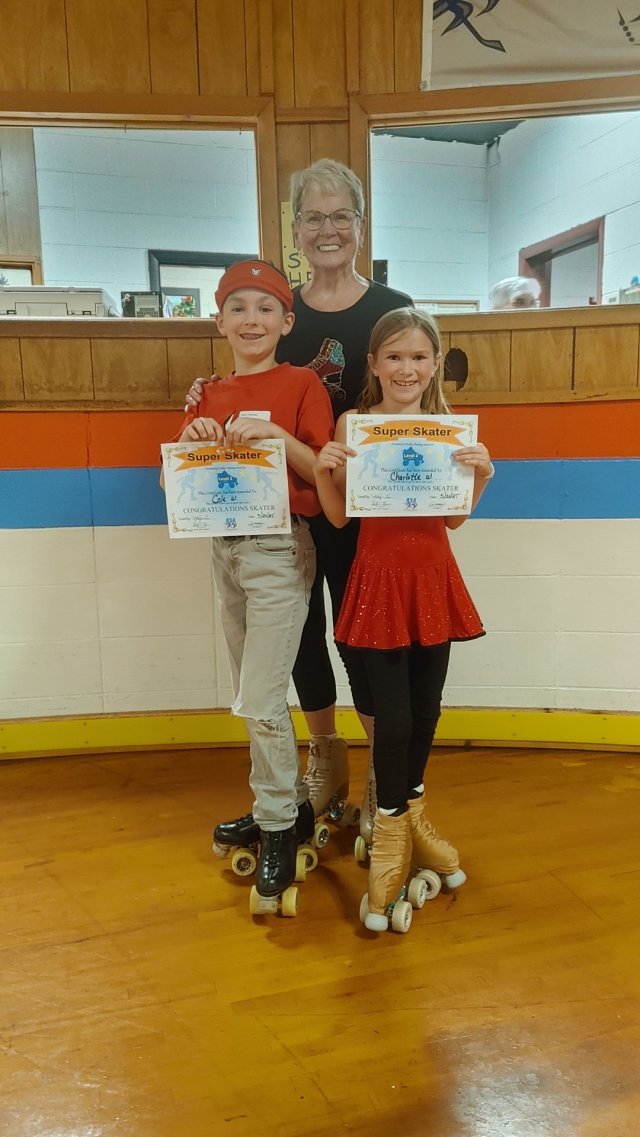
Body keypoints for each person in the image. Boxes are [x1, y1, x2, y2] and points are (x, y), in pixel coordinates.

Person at [185, 159, 413, 822]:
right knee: (303, 640)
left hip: (367, 508)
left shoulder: (392, 308)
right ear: (295, 230)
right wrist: (207, 396)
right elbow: (250, 380)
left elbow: (418, 394)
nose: (328, 229)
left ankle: (381, 779)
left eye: (341, 215)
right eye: (314, 217)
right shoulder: (280, 308)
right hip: (287, 509)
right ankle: (327, 760)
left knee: (362, 641)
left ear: (361, 225)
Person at [313, 307, 495, 933]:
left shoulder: (449, 428)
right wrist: (325, 470)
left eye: (418, 357)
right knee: (391, 718)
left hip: (432, 578)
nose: (406, 368)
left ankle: (411, 812)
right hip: (379, 579)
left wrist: (482, 476)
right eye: (394, 356)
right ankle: (391, 831)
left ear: (435, 363)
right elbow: (339, 517)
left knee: (425, 711)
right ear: (373, 364)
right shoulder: (355, 424)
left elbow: (453, 519)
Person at [164, 259, 333, 904]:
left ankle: (279, 824)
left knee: (260, 699)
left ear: (287, 322)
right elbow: (173, 482)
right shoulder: (206, 393)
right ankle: (287, 806)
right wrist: (194, 437)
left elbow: (322, 469)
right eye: (238, 308)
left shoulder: (302, 383)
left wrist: (276, 435)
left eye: (265, 308)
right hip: (226, 549)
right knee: (250, 691)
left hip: (280, 548)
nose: (251, 319)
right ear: (219, 321)